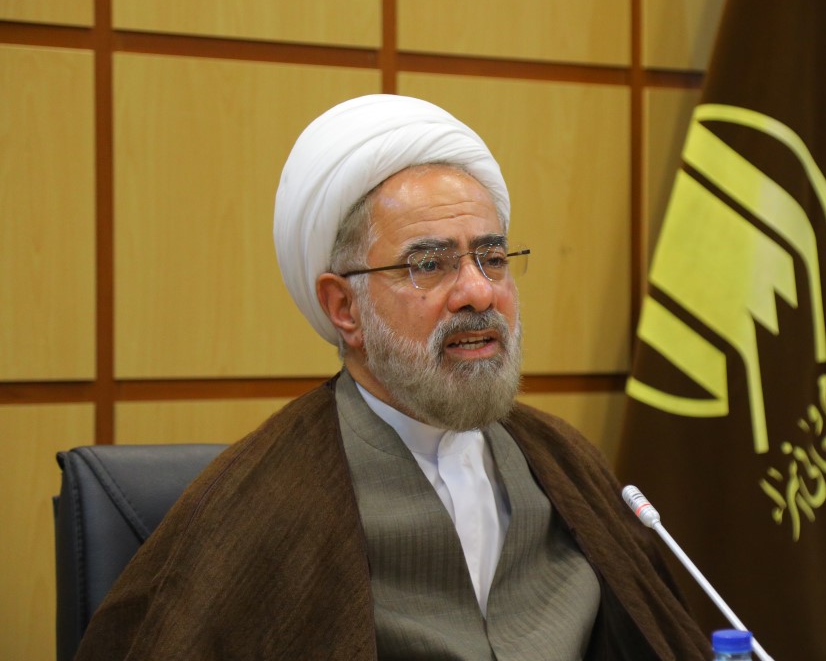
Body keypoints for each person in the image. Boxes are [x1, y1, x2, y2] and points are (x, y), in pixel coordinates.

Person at [75, 94, 711, 660]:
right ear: (344, 308)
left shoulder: (566, 464)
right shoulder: (255, 505)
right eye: (429, 265)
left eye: (492, 257)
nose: (478, 292)